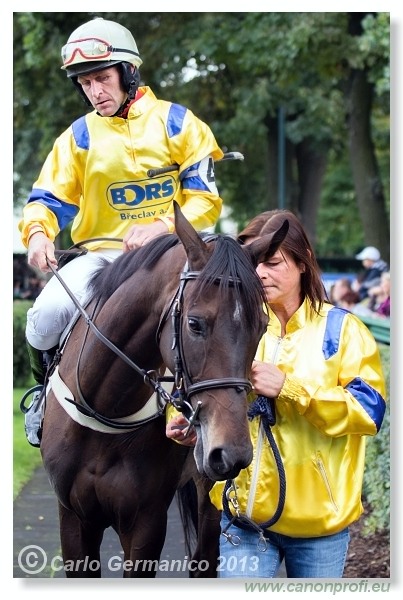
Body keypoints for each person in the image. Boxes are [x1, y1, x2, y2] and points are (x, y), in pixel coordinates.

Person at [18, 17, 224, 446]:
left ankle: (224, 407)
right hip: (101, 255)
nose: (95, 92)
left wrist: (161, 226)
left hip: (174, 251)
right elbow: (46, 200)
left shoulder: (180, 123)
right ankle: (43, 396)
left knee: (218, 314)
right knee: (43, 318)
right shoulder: (78, 137)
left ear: (128, 73)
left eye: (102, 79)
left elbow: (205, 200)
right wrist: (38, 232)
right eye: (86, 83)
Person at [166, 209, 386, 578]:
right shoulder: (240, 326)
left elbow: (368, 413)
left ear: (304, 264)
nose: (261, 274)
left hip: (321, 531)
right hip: (245, 525)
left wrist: (290, 389)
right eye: (256, 264)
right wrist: (198, 425)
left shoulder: (344, 330)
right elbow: (225, 401)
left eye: (273, 262)